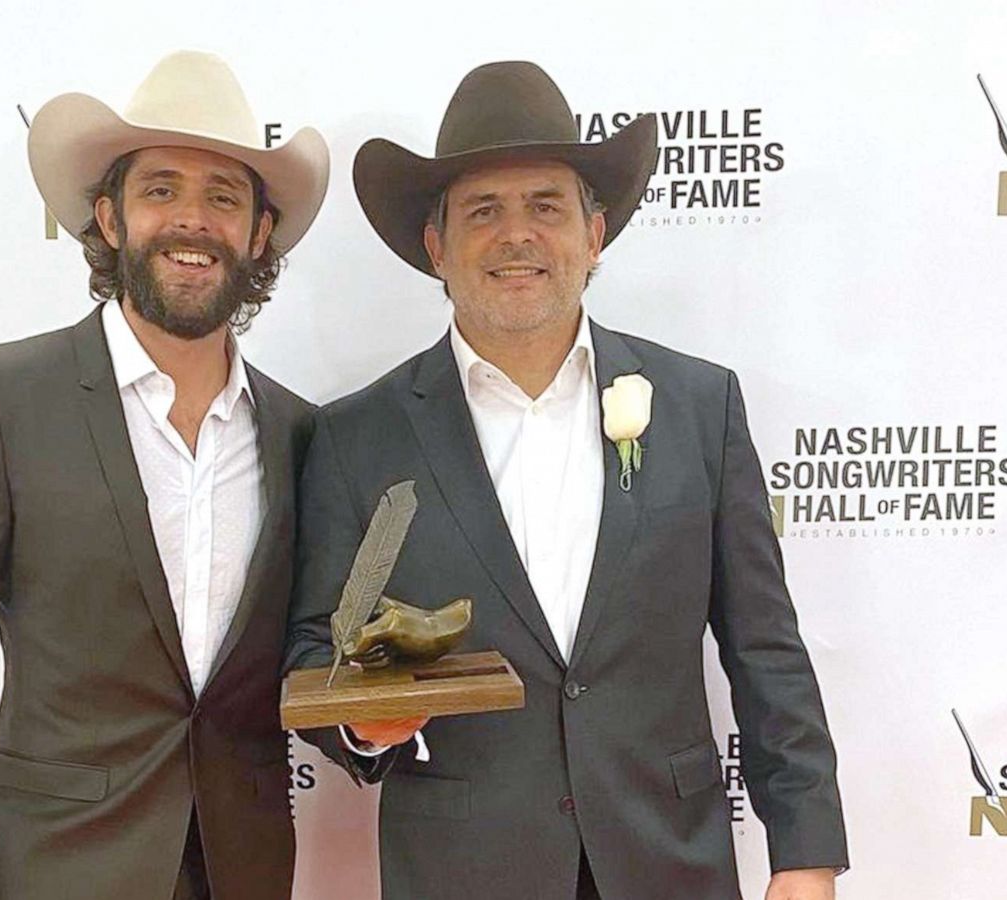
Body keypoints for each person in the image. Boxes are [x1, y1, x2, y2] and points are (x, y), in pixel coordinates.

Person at [286, 61, 847, 899]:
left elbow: (765, 650)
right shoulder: (355, 436)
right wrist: (363, 726)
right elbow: (312, 650)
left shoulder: (698, 406)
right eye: (484, 210)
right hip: (464, 872)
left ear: (595, 234)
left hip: (670, 862)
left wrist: (805, 855)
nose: (517, 235)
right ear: (437, 247)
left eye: (546, 206)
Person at [0, 51, 326, 900]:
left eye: (223, 197)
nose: (192, 220)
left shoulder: (300, 431)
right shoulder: (1, 397)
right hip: (62, 869)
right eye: (160, 190)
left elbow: (312, 653)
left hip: (246, 870)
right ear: (110, 218)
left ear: (258, 234)